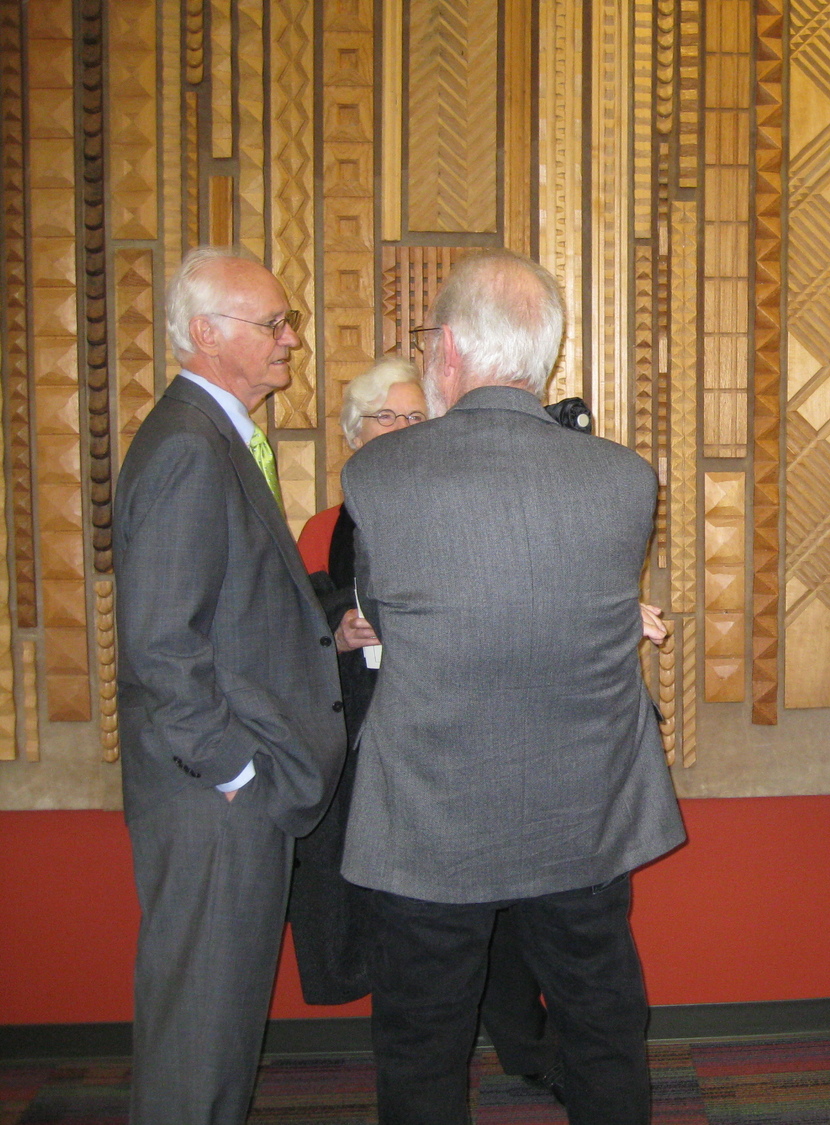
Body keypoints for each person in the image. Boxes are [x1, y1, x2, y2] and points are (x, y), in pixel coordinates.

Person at [339, 248, 685, 1125]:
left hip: (430, 814)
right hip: (582, 809)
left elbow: (384, 616)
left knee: (424, 1046)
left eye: (425, 345)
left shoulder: (378, 474)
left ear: (448, 348)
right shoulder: (625, 477)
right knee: (603, 1026)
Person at [113, 246, 346, 1124]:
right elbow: (162, 645)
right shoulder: (186, 448)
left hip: (223, 792)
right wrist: (239, 773)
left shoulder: (212, 436)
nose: (292, 339)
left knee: (217, 1031)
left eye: (288, 321)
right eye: (274, 323)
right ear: (207, 335)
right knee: (199, 1040)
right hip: (214, 799)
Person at [289, 356, 560, 1094]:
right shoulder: (319, 530)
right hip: (371, 742)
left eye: (417, 417)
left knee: (497, 906)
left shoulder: (462, 508)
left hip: (462, 733)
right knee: (403, 919)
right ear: (353, 434)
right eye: (389, 417)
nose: (406, 430)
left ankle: (528, 1048)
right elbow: (287, 629)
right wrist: (332, 631)